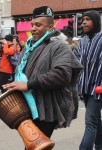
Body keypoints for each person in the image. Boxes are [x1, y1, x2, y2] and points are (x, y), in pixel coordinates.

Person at [2, 5, 83, 147]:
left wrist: (28, 85)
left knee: (36, 146)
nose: (33, 28)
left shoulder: (59, 46)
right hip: (28, 106)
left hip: (47, 108)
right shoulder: (28, 47)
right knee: (32, 146)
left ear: (51, 27)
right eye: (32, 24)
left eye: (38, 25)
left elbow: (62, 74)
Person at [74, 10, 102, 150]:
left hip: (98, 89)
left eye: (88, 19)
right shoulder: (82, 41)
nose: (84, 22)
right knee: (96, 119)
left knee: (90, 121)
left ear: (96, 21)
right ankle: (100, 145)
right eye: (83, 19)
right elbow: (74, 61)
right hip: (84, 87)